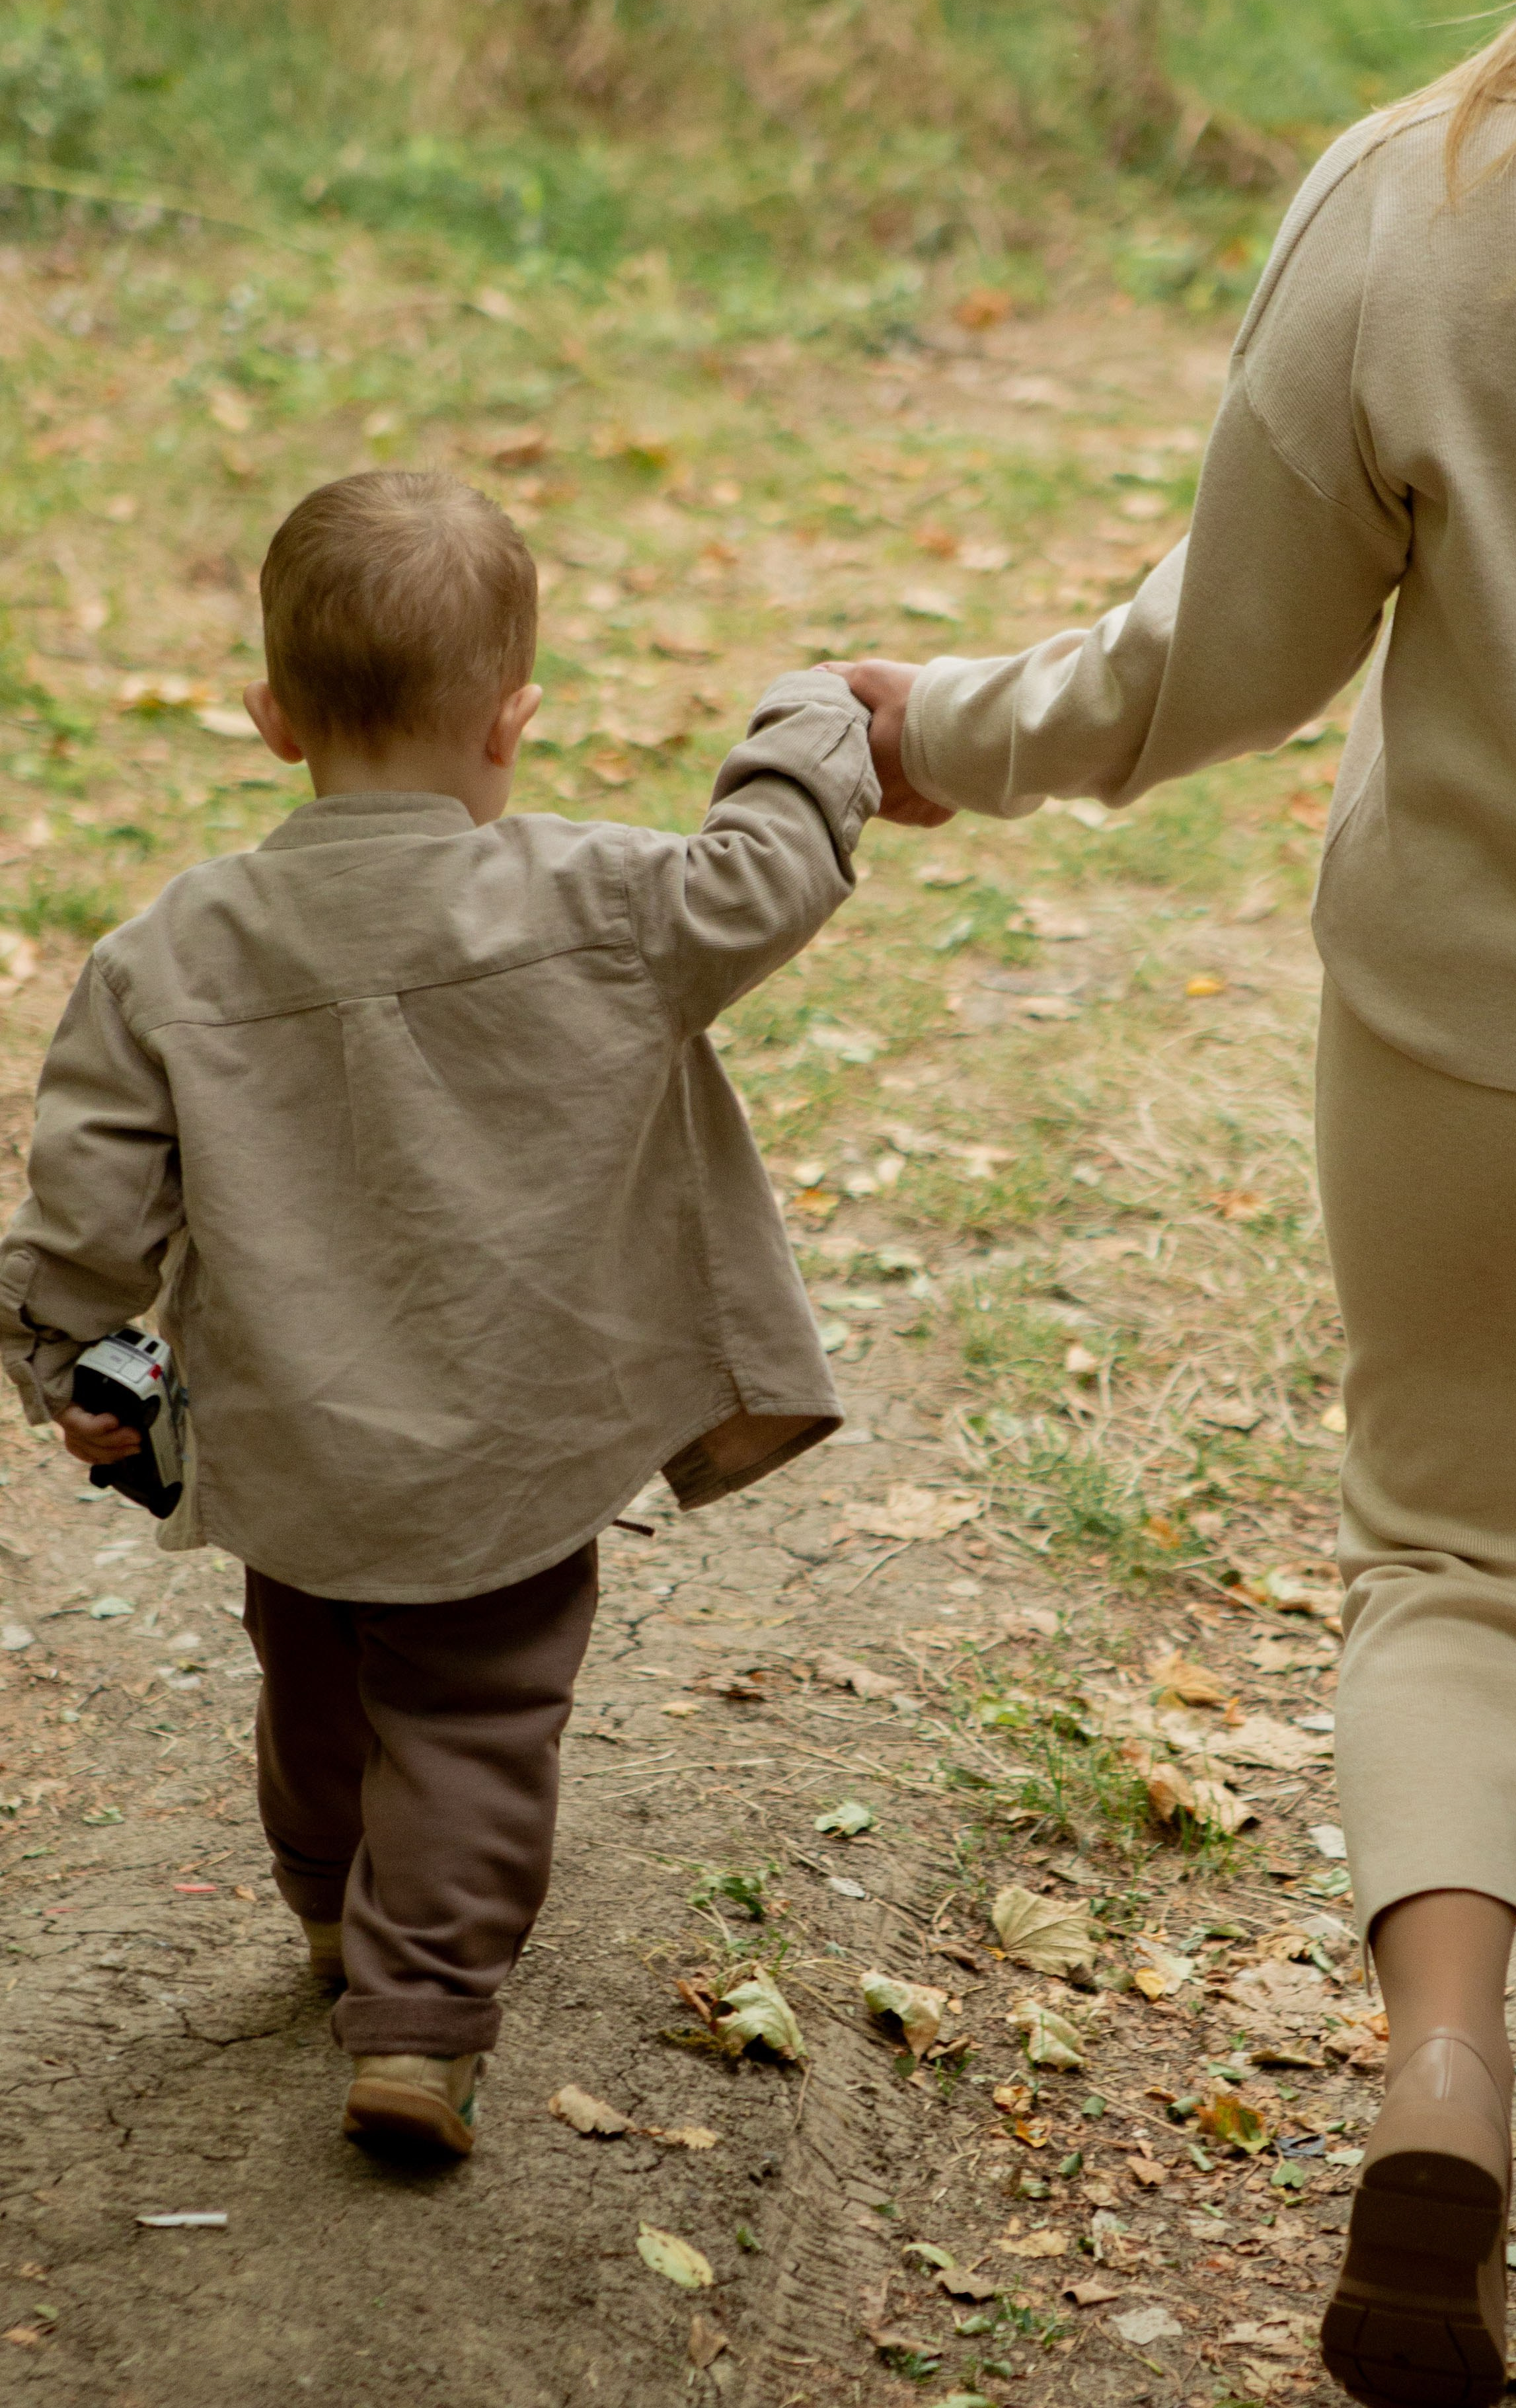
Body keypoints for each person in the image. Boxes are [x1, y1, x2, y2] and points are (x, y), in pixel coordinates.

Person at [833, 0, 1516, 2399]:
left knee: (1469, 1574)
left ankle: (1446, 2091)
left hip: (1492, 1064)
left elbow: (1241, 650)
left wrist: (941, 728)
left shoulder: (1424, 201)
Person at [0, 469, 885, 2159]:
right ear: (514, 722)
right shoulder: (597, 903)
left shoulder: (168, 955)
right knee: (475, 1712)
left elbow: (88, 1212)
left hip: (293, 1452)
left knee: (317, 1680)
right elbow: (764, 877)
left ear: (271, 720)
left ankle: (335, 1914)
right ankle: (417, 2021)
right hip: (511, 1442)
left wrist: (68, 1360)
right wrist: (815, 718)